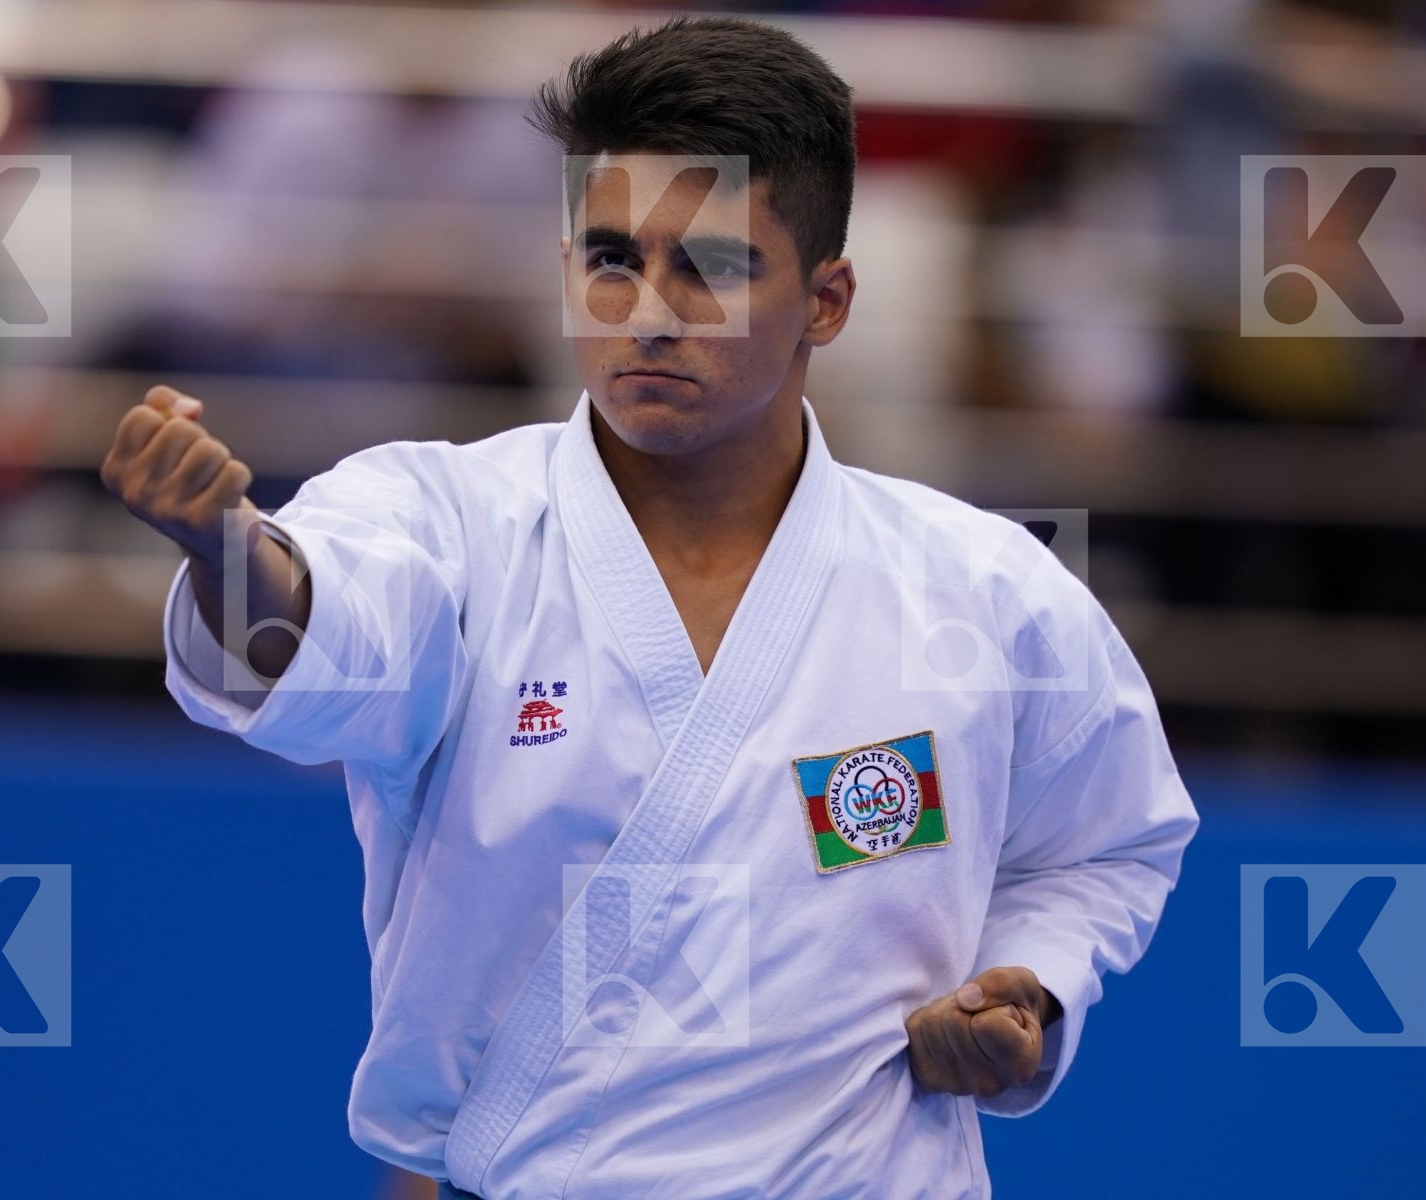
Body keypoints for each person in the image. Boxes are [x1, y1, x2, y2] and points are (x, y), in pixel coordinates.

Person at [99, 15, 1198, 1198]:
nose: (650, 311)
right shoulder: (448, 520)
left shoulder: (980, 586)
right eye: (611, 258)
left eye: (712, 266)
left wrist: (1023, 983)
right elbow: (333, 626)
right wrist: (228, 552)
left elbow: (1108, 840)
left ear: (826, 302)